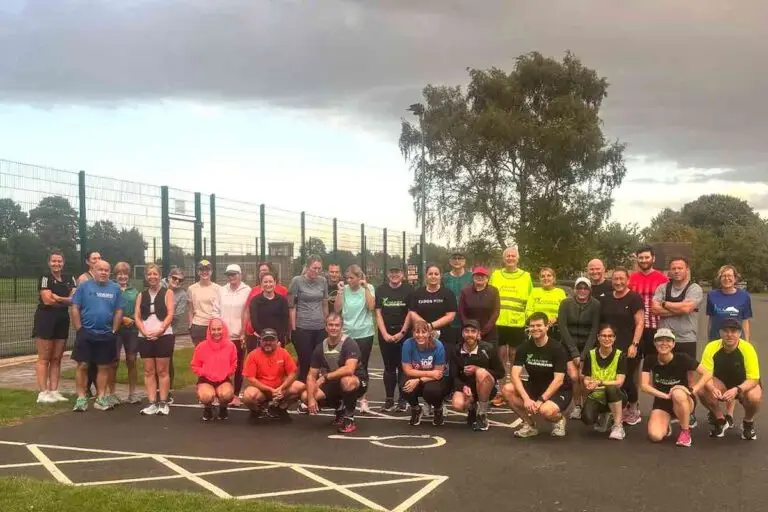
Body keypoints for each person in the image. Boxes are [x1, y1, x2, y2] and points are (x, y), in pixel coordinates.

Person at [503, 312, 571, 438]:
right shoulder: (524, 347)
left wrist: (540, 400)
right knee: (507, 389)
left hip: (559, 389)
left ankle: (559, 419)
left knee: (545, 410)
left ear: (547, 327)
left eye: (539, 325)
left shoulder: (557, 348)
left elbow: (558, 380)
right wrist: (526, 399)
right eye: (532, 326)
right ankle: (530, 425)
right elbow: (514, 375)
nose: (535, 328)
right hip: (535, 386)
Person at [641, 328, 712, 447]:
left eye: (668, 340)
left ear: (673, 344)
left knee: (677, 393)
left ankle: (685, 431)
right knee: (655, 436)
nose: (664, 343)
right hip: (663, 401)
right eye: (660, 340)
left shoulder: (682, 358)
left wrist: (692, 390)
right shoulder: (650, 359)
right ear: (655, 343)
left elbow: (707, 373)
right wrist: (665, 395)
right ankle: (666, 423)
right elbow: (644, 386)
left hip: (684, 399)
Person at [71, 260, 124, 412]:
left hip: (106, 334)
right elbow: (75, 307)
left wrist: (114, 330)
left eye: (106, 270)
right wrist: (79, 329)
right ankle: (81, 398)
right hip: (86, 333)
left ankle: (101, 398)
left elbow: (119, 310)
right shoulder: (84, 287)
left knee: (103, 366)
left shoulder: (115, 288)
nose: (103, 272)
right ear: (93, 270)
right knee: (83, 365)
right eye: (100, 269)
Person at [302, 313, 368, 434]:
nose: (334, 328)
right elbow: (311, 375)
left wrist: (325, 377)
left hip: (357, 381)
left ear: (342, 327)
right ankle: (339, 407)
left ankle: (349, 418)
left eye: (337, 325)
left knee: (347, 381)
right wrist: (311, 399)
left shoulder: (349, 344)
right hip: (333, 381)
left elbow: (349, 369)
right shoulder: (320, 347)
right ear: (326, 327)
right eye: (331, 325)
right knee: (306, 396)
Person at [698, 318, 762, 440]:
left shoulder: (748, 349)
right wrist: (712, 388)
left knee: (754, 397)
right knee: (702, 390)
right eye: (726, 331)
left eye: (733, 331)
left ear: (740, 333)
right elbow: (706, 375)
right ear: (720, 333)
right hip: (721, 384)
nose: (729, 334)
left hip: (742, 386)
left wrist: (737, 389)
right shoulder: (711, 347)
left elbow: (754, 379)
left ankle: (748, 423)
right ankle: (720, 420)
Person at [599, 267, 644, 425]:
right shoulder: (606, 298)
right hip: (609, 346)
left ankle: (633, 409)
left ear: (627, 280)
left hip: (628, 346)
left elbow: (640, 323)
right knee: (611, 379)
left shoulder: (634, 298)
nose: (618, 282)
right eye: (615, 279)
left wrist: (634, 344)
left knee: (627, 380)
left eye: (621, 279)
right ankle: (617, 410)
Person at [489, 247, 532, 406]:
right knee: (500, 357)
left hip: (517, 323)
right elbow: (490, 294)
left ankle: (514, 389)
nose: (510, 258)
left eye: (513, 256)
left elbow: (530, 299)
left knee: (515, 358)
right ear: (504, 258)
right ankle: (501, 392)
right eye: (508, 256)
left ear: (518, 258)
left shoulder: (525, 276)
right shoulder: (496, 275)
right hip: (498, 322)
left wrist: (528, 320)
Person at [33, 251, 76, 404]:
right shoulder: (45, 277)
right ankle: (43, 392)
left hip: (62, 319)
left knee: (57, 357)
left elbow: (74, 299)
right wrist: (65, 299)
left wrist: (58, 298)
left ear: (63, 263)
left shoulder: (69, 278)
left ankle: (54, 390)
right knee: (44, 357)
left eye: (59, 261)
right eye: (53, 261)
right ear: (49, 263)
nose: (56, 264)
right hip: (46, 319)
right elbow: (47, 300)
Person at [134, 263, 176, 416]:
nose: (152, 277)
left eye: (155, 274)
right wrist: (144, 331)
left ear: (159, 276)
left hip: (163, 336)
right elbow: (137, 316)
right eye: (149, 274)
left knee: (162, 371)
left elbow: (170, 314)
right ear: (146, 277)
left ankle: (163, 402)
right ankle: (152, 402)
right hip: (145, 336)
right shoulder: (141, 295)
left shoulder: (168, 293)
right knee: (148, 371)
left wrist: (160, 330)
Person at [450, 319, 505, 431]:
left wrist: (478, 369)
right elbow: (453, 374)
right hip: (467, 387)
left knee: (481, 372)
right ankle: (472, 408)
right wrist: (462, 387)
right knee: (457, 404)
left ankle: (482, 414)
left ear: (478, 334)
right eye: (466, 331)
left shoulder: (488, 349)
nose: (469, 334)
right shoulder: (456, 350)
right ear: (462, 333)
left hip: (486, 387)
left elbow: (500, 373)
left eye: (473, 331)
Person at [558, 277, 600, 419]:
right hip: (569, 346)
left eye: (585, 288)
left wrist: (583, 355)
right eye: (579, 288)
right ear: (575, 289)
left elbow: (594, 329)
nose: (582, 291)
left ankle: (587, 406)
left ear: (590, 290)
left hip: (588, 346)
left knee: (583, 377)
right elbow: (562, 327)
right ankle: (577, 406)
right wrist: (575, 353)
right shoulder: (565, 303)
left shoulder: (596, 304)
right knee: (574, 377)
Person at [335, 265, 375, 412]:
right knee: (344, 366)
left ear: (359, 278)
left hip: (364, 333)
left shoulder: (368, 287)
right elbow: (337, 309)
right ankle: (343, 398)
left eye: (352, 278)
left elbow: (371, 307)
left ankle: (363, 399)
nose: (349, 281)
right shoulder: (344, 290)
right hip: (347, 333)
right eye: (347, 278)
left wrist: (366, 288)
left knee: (362, 366)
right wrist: (340, 291)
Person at [242, 328, 305, 421]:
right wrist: (270, 389)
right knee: (248, 396)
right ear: (260, 341)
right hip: (261, 391)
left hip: (280, 390)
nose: (268, 343)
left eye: (271, 340)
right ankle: (257, 410)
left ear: (277, 341)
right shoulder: (253, 355)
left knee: (301, 386)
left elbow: (292, 373)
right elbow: (251, 379)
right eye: (265, 340)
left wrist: (282, 388)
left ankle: (281, 408)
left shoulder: (283, 352)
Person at [375, 267, 413, 412]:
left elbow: (410, 313)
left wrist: (402, 333)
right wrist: (384, 334)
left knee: (404, 367)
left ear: (402, 274)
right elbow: (378, 313)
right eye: (392, 272)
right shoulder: (381, 290)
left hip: (404, 334)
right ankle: (389, 399)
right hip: (386, 334)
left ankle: (403, 399)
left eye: (397, 272)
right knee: (389, 368)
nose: (394, 275)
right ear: (387, 274)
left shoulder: (409, 289)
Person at [580, 324, 627, 440]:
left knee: (611, 388)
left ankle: (618, 425)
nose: (607, 339)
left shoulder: (620, 355)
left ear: (614, 338)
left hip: (617, 395)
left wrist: (600, 382)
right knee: (587, 419)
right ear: (598, 337)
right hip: (597, 395)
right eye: (604, 336)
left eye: (610, 336)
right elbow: (586, 377)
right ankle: (605, 415)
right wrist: (587, 383)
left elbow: (619, 382)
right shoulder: (590, 354)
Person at [651, 256, 703, 360]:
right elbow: (655, 309)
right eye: (673, 268)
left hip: (686, 339)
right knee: (664, 369)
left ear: (686, 270)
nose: (676, 271)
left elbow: (686, 308)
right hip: (664, 339)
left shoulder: (694, 289)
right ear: (669, 271)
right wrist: (680, 309)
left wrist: (664, 304)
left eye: (680, 268)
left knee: (688, 369)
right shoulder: (662, 288)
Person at [289, 255, 329, 385]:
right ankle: (303, 389)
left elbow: (325, 303)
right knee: (305, 361)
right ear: (307, 267)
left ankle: (315, 390)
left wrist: (326, 323)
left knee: (318, 362)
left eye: (319, 268)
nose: (317, 271)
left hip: (320, 327)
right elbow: (291, 305)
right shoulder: (297, 281)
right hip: (302, 327)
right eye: (314, 268)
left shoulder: (323, 281)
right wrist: (293, 328)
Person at [401, 321, 450, 426]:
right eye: (417, 332)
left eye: (423, 332)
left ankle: (438, 409)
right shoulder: (407, 344)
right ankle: (416, 409)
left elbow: (438, 373)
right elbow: (407, 370)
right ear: (413, 333)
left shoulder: (438, 345)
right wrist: (429, 374)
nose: (420, 335)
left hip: (434, 379)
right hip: (425, 375)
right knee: (404, 386)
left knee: (432, 391)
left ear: (429, 333)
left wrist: (419, 380)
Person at [190, 318, 237, 421]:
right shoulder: (201, 346)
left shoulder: (231, 346)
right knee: (206, 396)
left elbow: (234, 364)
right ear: (209, 331)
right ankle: (208, 408)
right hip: (206, 380)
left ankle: (223, 408)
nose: (216, 332)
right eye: (213, 329)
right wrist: (205, 372)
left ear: (223, 329)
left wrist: (226, 372)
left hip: (223, 380)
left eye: (219, 329)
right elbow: (194, 365)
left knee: (227, 395)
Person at [218, 264, 251, 407]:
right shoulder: (221, 290)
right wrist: (218, 330)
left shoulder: (247, 290)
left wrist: (244, 332)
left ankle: (236, 394)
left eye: (234, 274)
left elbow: (248, 312)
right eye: (229, 275)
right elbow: (216, 310)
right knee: (222, 365)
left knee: (238, 366)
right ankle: (222, 393)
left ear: (240, 275)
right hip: (223, 336)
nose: (231, 277)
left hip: (239, 336)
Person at [628, 245, 669, 358]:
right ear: (637, 259)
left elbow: (667, 303)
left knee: (654, 360)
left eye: (647, 257)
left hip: (655, 327)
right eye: (641, 258)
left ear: (653, 258)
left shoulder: (663, 279)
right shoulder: (632, 279)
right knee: (632, 359)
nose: (644, 260)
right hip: (635, 328)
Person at [409, 264, 458, 357]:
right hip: (421, 335)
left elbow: (450, 316)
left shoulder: (448, 293)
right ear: (426, 276)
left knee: (442, 363)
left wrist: (431, 326)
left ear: (440, 276)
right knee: (423, 362)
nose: (433, 276)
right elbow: (412, 312)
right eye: (430, 274)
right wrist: (424, 327)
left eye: (436, 274)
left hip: (444, 336)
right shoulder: (417, 293)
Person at [113, 262, 140, 405]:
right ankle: (111, 393)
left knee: (132, 360)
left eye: (125, 274)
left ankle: (132, 393)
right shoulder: (111, 289)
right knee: (113, 361)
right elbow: (107, 307)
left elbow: (139, 309)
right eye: (119, 274)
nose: (122, 276)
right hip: (115, 328)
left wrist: (133, 319)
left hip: (132, 329)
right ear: (115, 275)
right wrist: (121, 318)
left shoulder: (134, 292)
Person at [244, 262, 289, 347]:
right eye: (265, 282)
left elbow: (285, 321)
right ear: (261, 284)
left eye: (270, 282)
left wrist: (278, 338)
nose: (268, 284)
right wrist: (265, 338)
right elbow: (255, 322)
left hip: (278, 340)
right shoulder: (255, 301)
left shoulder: (282, 300)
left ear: (275, 283)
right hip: (260, 339)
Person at [77, 250, 102, 398]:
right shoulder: (83, 279)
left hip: (100, 326)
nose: (97, 260)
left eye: (99, 258)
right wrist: (80, 326)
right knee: (85, 360)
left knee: (98, 359)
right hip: (87, 324)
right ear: (88, 262)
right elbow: (78, 304)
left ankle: (98, 389)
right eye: (94, 258)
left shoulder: (103, 277)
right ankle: (84, 389)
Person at [706, 265, 752, 342]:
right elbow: (711, 320)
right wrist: (709, 341)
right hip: (717, 341)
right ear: (720, 279)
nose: (726, 278)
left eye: (729, 276)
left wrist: (746, 342)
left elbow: (745, 321)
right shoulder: (712, 295)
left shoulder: (744, 296)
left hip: (736, 341)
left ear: (735, 278)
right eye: (723, 276)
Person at [458, 266, 500, 345]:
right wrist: (470, 330)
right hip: (469, 333)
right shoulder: (465, 291)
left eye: (483, 275)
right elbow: (461, 312)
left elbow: (496, 312)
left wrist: (482, 332)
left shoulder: (494, 291)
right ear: (473, 278)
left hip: (489, 332)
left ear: (487, 278)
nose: (480, 277)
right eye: (477, 275)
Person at [442, 251, 473, 359]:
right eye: (454, 258)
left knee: (465, 352)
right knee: (449, 352)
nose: (457, 261)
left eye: (460, 258)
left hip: (466, 320)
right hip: (448, 321)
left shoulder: (471, 277)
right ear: (450, 261)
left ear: (464, 261)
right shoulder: (444, 277)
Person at [525, 267, 567, 340]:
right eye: (543, 276)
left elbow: (565, 311)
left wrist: (556, 318)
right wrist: (539, 320)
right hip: (536, 329)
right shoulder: (534, 292)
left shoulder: (560, 292)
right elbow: (528, 311)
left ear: (554, 278)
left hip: (554, 329)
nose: (546, 278)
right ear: (540, 279)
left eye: (549, 275)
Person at [165, 268, 188, 399]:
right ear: (169, 277)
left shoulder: (182, 295)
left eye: (180, 280)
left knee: (168, 361)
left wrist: (160, 315)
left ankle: (168, 390)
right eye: (174, 278)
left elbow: (177, 315)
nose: (177, 281)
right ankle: (155, 390)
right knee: (152, 362)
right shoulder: (159, 286)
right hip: (152, 329)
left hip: (169, 331)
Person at [187, 259, 221, 345]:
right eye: (201, 270)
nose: (204, 272)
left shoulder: (218, 289)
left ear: (211, 271)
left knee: (214, 351)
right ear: (198, 272)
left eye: (207, 270)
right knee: (200, 351)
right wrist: (191, 325)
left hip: (213, 326)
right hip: (197, 326)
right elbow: (190, 309)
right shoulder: (191, 289)